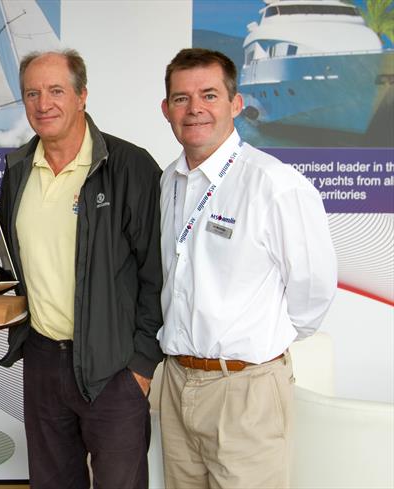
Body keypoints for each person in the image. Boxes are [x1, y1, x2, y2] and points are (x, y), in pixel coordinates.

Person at [157, 48, 337, 488]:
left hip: (245, 389)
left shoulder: (274, 185)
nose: (194, 108)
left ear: (236, 104)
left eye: (209, 94)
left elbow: (313, 290)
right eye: (181, 98)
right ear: (166, 110)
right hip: (177, 384)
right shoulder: (169, 180)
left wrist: (257, 347)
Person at [0, 49, 164, 489]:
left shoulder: (130, 166)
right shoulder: (17, 171)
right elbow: (5, 266)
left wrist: (141, 367)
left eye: (56, 90)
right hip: (44, 362)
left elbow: (158, 273)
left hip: (114, 370)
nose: (43, 103)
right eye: (32, 93)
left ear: (82, 96)